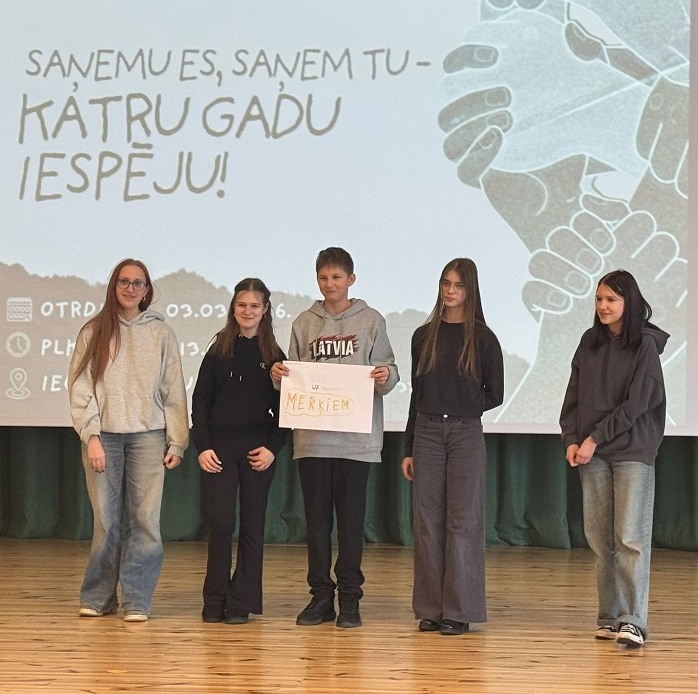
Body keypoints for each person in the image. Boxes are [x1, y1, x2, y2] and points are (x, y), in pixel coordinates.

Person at [270, 247, 399, 629]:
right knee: (316, 524)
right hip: (313, 440)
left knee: (351, 524)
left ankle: (351, 598)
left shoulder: (371, 320)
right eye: (324, 278)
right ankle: (321, 597)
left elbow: (389, 370)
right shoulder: (304, 323)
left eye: (337, 277)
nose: (330, 284)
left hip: (356, 442)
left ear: (351, 280)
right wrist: (278, 376)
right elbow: (292, 377)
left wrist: (385, 375)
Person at [69, 258, 189, 623]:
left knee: (146, 522)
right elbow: (80, 387)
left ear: (147, 290)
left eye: (138, 283)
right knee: (106, 522)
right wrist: (91, 436)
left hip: (149, 437)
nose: (131, 288)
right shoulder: (93, 331)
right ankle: (98, 597)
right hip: (104, 437)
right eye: (124, 281)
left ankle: (137, 599)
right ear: (114, 286)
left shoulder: (161, 333)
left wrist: (178, 441)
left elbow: (173, 390)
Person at [560, 268, 668, 649]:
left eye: (611, 299)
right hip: (592, 453)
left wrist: (594, 437)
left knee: (629, 538)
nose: (603, 306)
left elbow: (636, 405)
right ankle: (609, 616)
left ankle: (633, 620)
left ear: (629, 302)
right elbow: (573, 397)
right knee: (599, 539)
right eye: (599, 299)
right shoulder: (589, 342)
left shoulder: (645, 347)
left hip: (631, 452)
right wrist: (572, 438)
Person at [400, 258, 505, 636]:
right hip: (427, 433)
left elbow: (495, 393)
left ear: (470, 290)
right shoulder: (423, 336)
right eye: (446, 283)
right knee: (427, 522)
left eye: (458, 285)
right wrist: (409, 446)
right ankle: (430, 609)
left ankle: (459, 611)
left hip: (465, 434)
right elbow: (417, 394)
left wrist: (462, 404)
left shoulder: (484, 338)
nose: (450, 291)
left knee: (462, 522)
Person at [191, 278, 288, 625]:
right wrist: (203, 446)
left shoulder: (275, 357)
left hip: (257, 452)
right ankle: (214, 600)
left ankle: (240, 603)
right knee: (220, 525)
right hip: (218, 451)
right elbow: (200, 402)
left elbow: (287, 409)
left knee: (252, 527)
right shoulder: (217, 352)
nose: (248, 311)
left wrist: (272, 449)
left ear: (265, 310)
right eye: (242, 305)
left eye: (254, 305)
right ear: (234, 309)